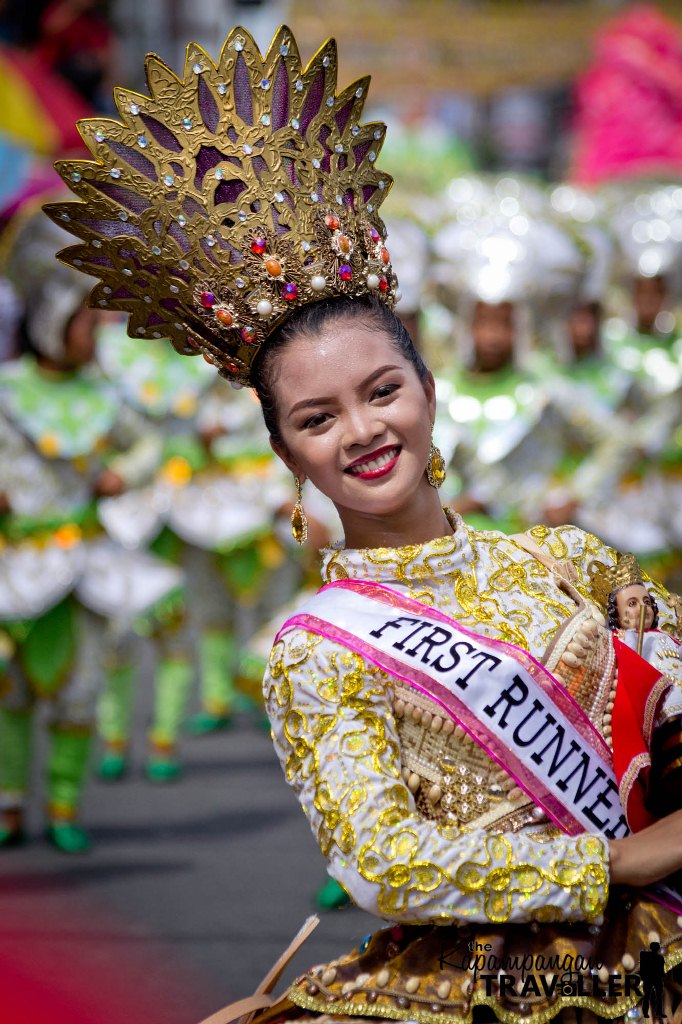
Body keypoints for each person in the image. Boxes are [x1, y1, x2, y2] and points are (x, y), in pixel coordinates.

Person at [49, 24, 682, 1023]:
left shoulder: (573, 560)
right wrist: (612, 861)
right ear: (288, 451)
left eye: (381, 389)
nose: (361, 430)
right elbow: (386, 863)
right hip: (485, 986)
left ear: (426, 389)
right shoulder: (314, 651)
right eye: (316, 416)